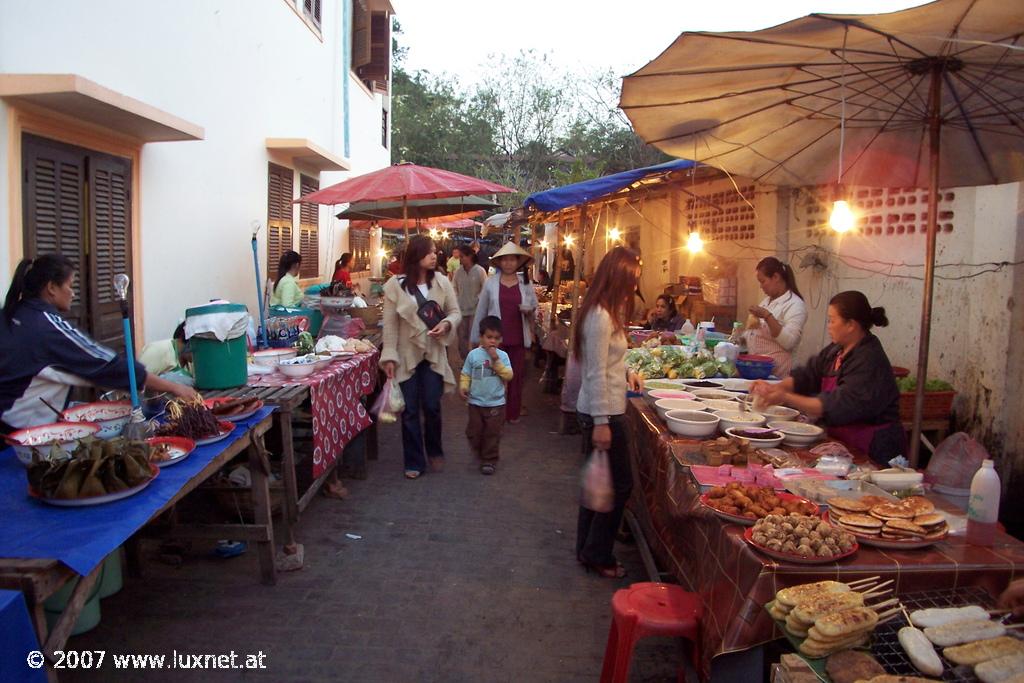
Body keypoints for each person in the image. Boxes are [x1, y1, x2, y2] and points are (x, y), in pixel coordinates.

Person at [0, 255, 196, 431]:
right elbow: (106, 365)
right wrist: (174, 387)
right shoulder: (46, 327)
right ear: (51, 288)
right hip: (18, 434)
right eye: (70, 286)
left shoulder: (11, 315)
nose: (73, 293)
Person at [751, 291, 903, 465]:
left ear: (851, 325)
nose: (829, 326)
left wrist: (785, 396)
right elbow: (807, 375)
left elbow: (835, 404)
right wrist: (776, 388)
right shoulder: (837, 350)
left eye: (832, 320)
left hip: (874, 448)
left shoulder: (869, 359)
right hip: (843, 444)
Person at [573, 246, 644, 579]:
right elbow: (595, 373)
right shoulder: (600, 316)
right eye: (632, 282)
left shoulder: (608, 311)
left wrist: (627, 371)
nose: (634, 289)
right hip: (603, 413)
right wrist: (602, 423)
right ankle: (598, 553)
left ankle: (587, 549)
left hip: (604, 409)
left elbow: (609, 364)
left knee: (597, 485)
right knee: (619, 486)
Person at [379, 235, 461, 479]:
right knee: (410, 411)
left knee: (432, 406)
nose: (434, 256)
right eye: (428, 252)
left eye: (435, 251)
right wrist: (389, 357)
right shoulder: (395, 285)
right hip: (406, 356)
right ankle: (414, 461)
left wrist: (446, 324)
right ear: (416, 255)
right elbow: (391, 326)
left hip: (434, 353)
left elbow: (455, 312)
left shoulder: (442, 282)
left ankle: (434, 449)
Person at [470, 242, 538, 424]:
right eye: (505, 260)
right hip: (494, 339)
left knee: (515, 377)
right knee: (494, 377)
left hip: (518, 337)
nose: (508, 263)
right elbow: (481, 310)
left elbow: (535, 308)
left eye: (512, 260)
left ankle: (512, 413)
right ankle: (494, 412)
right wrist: (476, 338)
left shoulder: (525, 283)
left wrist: (529, 310)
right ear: (499, 263)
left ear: (518, 262)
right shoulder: (491, 283)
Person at [459, 315, 513, 475]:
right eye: (489, 337)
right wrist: (463, 386)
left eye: (496, 338)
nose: (492, 341)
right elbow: (466, 373)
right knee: (474, 431)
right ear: (481, 337)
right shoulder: (473, 355)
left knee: (492, 432)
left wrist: (496, 361)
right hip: (475, 402)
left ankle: (489, 459)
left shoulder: (503, 356)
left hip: (496, 403)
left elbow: (508, 375)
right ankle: (478, 448)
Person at [743, 256, 808, 378]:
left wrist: (767, 316)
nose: (761, 287)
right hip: (758, 369)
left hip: (779, 372)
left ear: (776, 277)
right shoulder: (767, 301)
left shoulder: (795, 305)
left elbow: (789, 342)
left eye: (763, 281)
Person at [452, 246, 487, 359]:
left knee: (475, 337)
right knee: (462, 337)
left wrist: (478, 298)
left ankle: (475, 360)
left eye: (462, 257)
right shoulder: (458, 272)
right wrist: (456, 299)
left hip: (475, 310)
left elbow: (485, 288)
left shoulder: (480, 270)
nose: (460, 259)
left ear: (470, 256)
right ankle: (465, 359)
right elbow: (454, 287)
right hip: (461, 309)